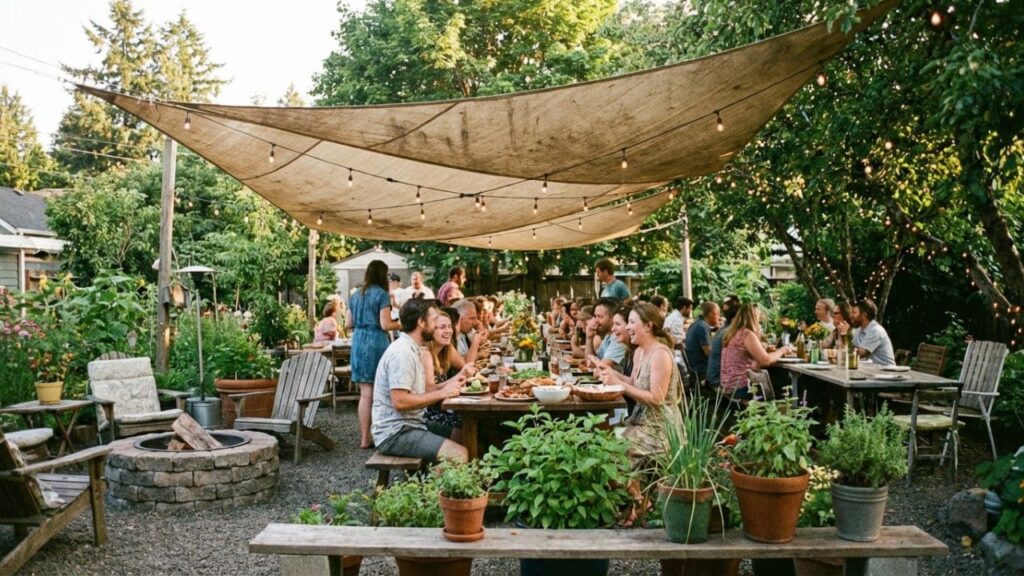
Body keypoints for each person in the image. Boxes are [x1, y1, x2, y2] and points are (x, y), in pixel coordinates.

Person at [372, 298, 470, 462]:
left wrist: (452, 383)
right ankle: (431, 487)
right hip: (396, 432)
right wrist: (442, 394)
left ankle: (443, 481)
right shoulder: (402, 353)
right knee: (459, 454)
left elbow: (422, 391)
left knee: (463, 435)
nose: (435, 325)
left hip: (413, 423)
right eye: (433, 321)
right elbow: (400, 401)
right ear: (421, 323)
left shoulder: (413, 348)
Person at [596, 302, 683, 460]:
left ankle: (632, 483)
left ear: (648, 326)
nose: (628, 327)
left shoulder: (660, 354)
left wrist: (619, 384)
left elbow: (657, 399)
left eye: (632, 322)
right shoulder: (640, 352)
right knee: (603, 436)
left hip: (659, 430)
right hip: (639, 421)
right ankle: (628, 484)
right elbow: (635, 384)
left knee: (610, 449)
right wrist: (611, 373)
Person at [347, 260, 402, 449]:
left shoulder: (355, 295)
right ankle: (386, 432)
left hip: (358, 341)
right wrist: (400, 324)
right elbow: (385, 325)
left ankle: (364, 438)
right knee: (383, 391)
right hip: (376, 342)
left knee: (365, 393)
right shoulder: (382, 294)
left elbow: (348, 324)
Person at [719, 304, 795, 398]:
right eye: (759, 320)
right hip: (740, 387)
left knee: (776, 378)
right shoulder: (747, 334)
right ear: (753, 318)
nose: (759, 323)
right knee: (781, 380)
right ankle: (788, 407)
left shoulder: (734, 333)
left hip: (728, 385)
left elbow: (751, 362)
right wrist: (783, 350)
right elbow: (765, 361)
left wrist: (763, 349)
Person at [422, 308, 466, 429]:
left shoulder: (446, 347)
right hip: (428, 414)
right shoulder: (425, 353)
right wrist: (459, 376)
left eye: (449, 326)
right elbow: (429, 391)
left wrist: (465, 373)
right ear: (430, 330)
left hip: (445, 407)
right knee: (467, 423)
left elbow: (463, 365)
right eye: (442, 327)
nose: (448, 331)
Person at [585, 298, 628, 371]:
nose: (596, 321)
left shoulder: (620, 339)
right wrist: (589, 338)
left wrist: (595, 363)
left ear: (613, 317)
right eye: (595, 316)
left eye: (600, 317)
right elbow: (589, 362)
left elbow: (601, 367)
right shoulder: (609, 335)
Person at [706, 299, 741, 389]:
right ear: (736, 318)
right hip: (718, 380)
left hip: (712, 377)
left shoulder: (723, 330)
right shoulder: (729, 333)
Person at [851, 299, 895, 365]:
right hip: (871, 371)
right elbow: (851, 349)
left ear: (864, 315)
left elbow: (859, 354)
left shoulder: (876, 330)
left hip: (887, 372)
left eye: (854, 312)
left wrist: (845, 335)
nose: (851, 316)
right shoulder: (859, 330)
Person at [685, 301, 720, 382]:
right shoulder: (703, 326)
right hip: (702, 369)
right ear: (711, 314)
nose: (719, 317)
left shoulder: (697, 323)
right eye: (718, 314)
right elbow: (708, 353)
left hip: (695, 366)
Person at [452, 298, 488, 364]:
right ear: (460, 318)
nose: (475, 323)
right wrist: (476, 341)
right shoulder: (451, 337)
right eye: (472, 318)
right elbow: (465, 364)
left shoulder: (464, 333)